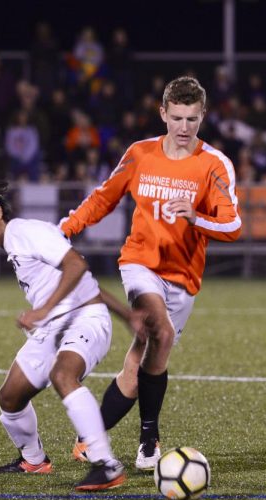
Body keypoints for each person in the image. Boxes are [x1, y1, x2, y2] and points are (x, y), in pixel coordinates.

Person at [59, 76, 241, 470]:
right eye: (176, 117)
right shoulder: (140, 154)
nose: (183, 127)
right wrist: (66, 229)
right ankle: (149, 441)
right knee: (158, 328)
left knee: (140, 363)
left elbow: (233, 225)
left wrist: (198, 217)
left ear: (203, 116)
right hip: (140, 264)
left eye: (192, 119)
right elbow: (104, 197)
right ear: (163, 113)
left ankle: (91, 438)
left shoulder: (214, 165)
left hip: (184, 278)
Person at [0, 179, 138, 491]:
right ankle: (34, 461)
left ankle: (107, 465)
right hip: (55, 325)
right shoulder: (15, 242)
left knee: (63, 375)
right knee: (10, 397)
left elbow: (76, 265)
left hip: (83, 320)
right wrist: (127, 315)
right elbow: (82, 279)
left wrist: (42, 310)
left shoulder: (25, 232)